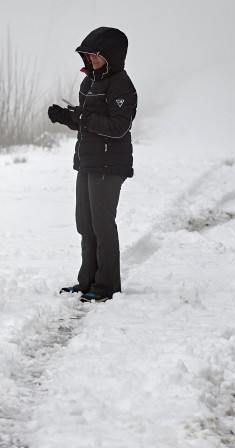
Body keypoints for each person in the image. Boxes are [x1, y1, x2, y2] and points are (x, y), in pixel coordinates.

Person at [47, 27, 137, 303]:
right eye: (87, 55)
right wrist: (66, 117)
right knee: (85, 224)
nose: (91, 59)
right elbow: (86, 121)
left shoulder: (121, 84)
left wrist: (83, 116)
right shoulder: (89, 83)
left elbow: (118, 127)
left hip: (110, 165)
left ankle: (106, 285)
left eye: (96, 55)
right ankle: (88, 280)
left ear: (112, 55)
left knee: (102, 224)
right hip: (87, 161)